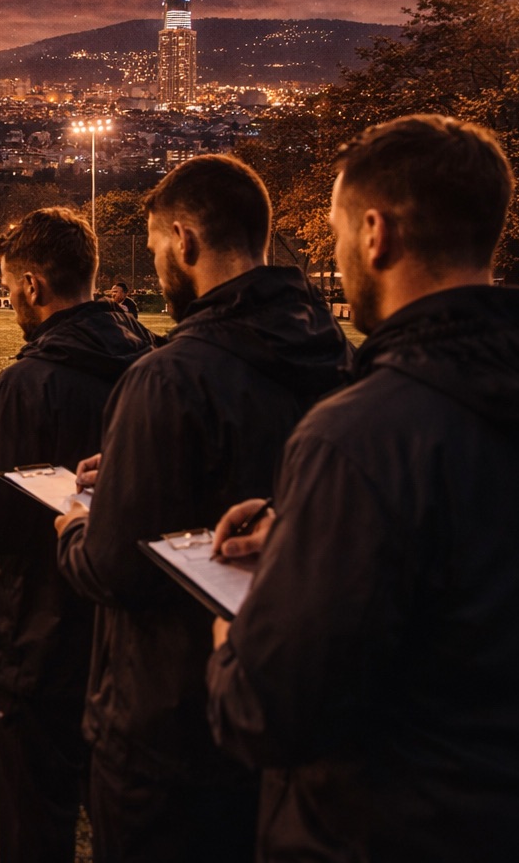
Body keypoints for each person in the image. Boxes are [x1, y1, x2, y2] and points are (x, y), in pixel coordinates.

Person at [205, 115, 519, 861]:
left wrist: (229, 637)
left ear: (375, 233)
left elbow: (269, 711)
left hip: (403, 827)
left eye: (334, 232)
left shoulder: (362, 432)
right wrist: (320, 527)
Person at [53, 154, 351, 863]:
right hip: (286, 706)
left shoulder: (168, 375)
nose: (156, 262)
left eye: (157, 245)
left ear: (183, 241)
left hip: (167, 727)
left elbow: (117, 570)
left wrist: (74, 526)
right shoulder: (337, 351)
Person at [0, 208, 155, 862]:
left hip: (37, 645)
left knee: (36, 831)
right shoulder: (154, 361)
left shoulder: (28, 384)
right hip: (129, 637)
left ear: (34, 287)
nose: (13, 297)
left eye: (11, 284)